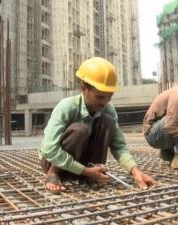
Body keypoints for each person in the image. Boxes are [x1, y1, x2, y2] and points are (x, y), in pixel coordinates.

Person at [40, 57, 156, 192]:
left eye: (109, 97)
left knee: (107, 121)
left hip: (84, 164)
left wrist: (136, 172)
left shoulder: (108, 109)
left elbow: (119, 146)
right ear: (84, 89)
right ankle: (54, 174)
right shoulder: (67, 107)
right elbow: (49, 149)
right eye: (100, 97)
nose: (105, 102)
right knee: (80, 130)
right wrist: (85, 171)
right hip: (53, 162)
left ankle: (92, 173)